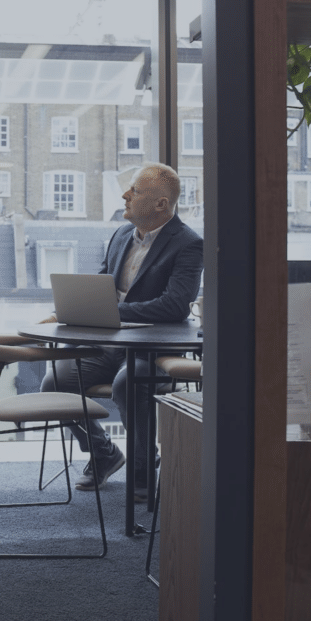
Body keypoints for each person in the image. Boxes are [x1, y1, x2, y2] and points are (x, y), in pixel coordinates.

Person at [40, 163, 203, 500]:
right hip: (109, 345)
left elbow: (174, 305)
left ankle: (144, 467)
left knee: (127, 384)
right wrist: (67, 310)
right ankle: (103, 453)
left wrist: (111, 312)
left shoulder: (188, 243)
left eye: (135, 191)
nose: (125, 196)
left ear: (160, 204)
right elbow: (101, 287)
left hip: (152, 350)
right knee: (55, 383)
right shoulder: (119, 237)